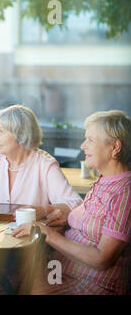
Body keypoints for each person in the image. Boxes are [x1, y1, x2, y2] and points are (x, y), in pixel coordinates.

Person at [13, 110, 130, 295]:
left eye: (90, 140)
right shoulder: (103, 181)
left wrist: (48, 234)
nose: (83, 146)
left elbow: (102, 259)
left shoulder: (124, 192)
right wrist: (59, 214)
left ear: (115, 147)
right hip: (60, 271)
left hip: (91, 285)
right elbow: (93, 220)